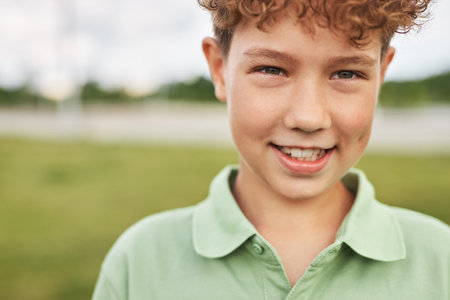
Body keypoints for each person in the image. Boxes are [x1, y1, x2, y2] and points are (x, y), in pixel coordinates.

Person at [93, 0, 449, 299]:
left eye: (347, 74)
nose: (308, 117)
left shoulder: (439, 261)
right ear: (220, 70)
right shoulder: (139, 262)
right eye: (271, 69)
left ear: (381, 75)